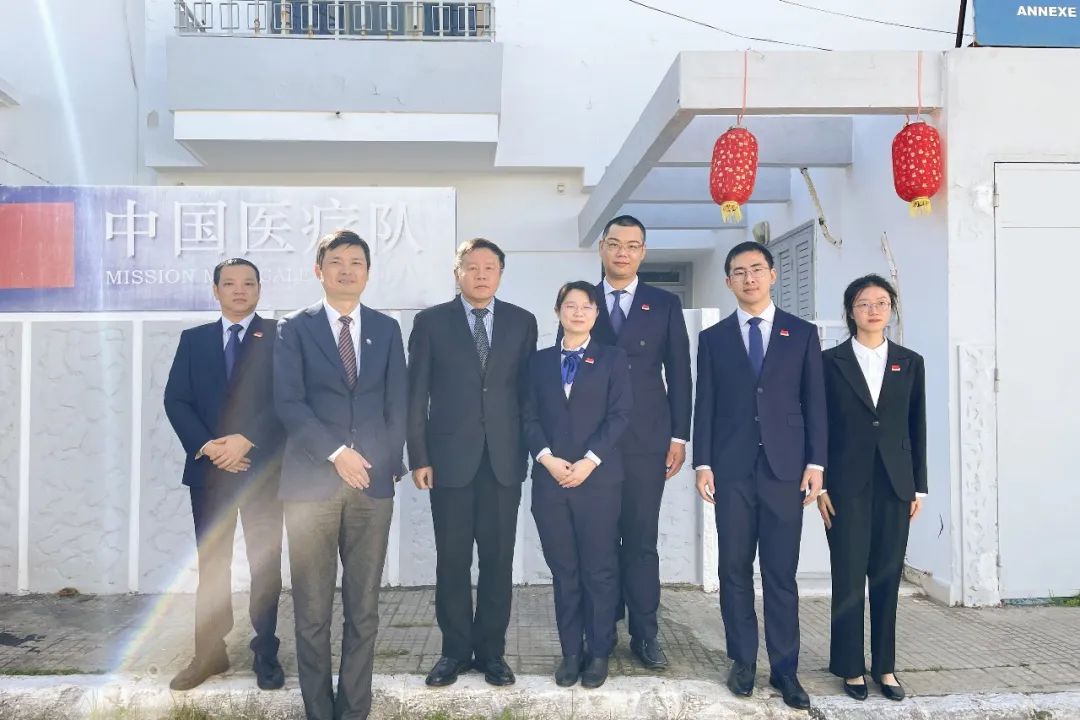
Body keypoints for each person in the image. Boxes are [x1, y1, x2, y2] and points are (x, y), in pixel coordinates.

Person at [273, 230, 407, 720]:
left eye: (356, 262)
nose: (346, 269)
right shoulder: (293, 328)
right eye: (336, 261)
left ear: (367, 272)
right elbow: (288, 402)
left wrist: (385, 462)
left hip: (371, 484)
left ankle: (353, 710)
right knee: (311, 610)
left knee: (363, 608)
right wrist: (336, 453)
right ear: (319, 270)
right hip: (311, 485)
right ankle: (318, 710)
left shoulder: (386, 329)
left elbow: (397, 402)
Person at [692, 241, 827, 711]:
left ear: (772, 275)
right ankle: (743, 662)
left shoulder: (801, 333)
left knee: (780, 573)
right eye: (739, 272)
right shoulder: (714, 339)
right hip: (730, 469)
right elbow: (705, 402)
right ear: (728, 281)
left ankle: (786, 669)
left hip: (785, 471)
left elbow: (815, 402)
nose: (748, 278)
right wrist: (703, 463)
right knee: (733, 569)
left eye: (756, 269)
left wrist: (816, 464)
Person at [406, 238, 538, 688]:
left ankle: (492, 653)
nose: (481, 275)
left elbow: (527, 395)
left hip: (504, 459)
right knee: (453, 559)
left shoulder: (522, 322)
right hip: (448, 461)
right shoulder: (431, 322)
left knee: (498, 561)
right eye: (472, 267)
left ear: (500, 273)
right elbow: (416, 394)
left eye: (489, 267)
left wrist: (530, 451)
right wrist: (419, 455)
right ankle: (454, 651)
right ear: (457, 272)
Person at [163, 258, 285, 692]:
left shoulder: (279, 336)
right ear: (215, 291)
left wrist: (246, 440)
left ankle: (265, 651)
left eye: (248, 283)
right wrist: (211, 447)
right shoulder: (194, 340)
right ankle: (209, 652)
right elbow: (176, 400)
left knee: (264, 564)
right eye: (229, 284)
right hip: (210, 472)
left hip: (260, 470)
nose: (239, 290)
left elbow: (288, 398)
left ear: (259, 289)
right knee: (212, 563)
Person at [587, 215, 692, 670]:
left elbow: (680, 372)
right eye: (614, 244)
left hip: (648, 438)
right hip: (593, 441)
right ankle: (602, 629)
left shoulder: (663, 303)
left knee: (641, 539)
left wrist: (679, 435)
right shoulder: (583, 299)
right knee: (600, 537)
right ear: (602, 248)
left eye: (632, 245)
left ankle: (645, 634)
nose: (622, 253)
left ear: (643, 252)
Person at [817, 274, 926, 702]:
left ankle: (885, 667)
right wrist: (821, 484)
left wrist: (919, 487)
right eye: (864, 303)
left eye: (882, 302)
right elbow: (820, 426)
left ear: (891, 309)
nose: (874, 310)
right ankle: (849, 666)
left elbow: (916, 425)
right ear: (851, 311)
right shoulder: (829, 362)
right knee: (848, 576)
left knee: (886, 577)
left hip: (896, 484)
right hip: (845, 485)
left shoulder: (910, 362)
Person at [524, 281, 633, 689]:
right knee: (564, 570)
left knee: (599, 570)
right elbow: (528, 416)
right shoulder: (538, 362)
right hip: (551, 482)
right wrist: (547, 458)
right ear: (558, 312)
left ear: (596, 314)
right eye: (570, 305)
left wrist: (589, 461)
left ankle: (599, 651)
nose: (578, 312)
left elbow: (620, 415)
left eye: (587, 306)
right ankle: (571, 651)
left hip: (598, 481)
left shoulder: (613, 358)